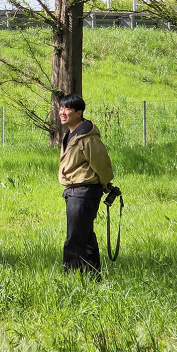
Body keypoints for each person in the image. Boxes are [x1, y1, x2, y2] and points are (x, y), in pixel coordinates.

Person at [58, 94, 114, 274]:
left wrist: (106, 184)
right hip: (74, 191)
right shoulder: (70, 134)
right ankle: (92, 277)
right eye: (61, 108)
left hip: (83, 191)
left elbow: (101, 162)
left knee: (74, 238)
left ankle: (72, 278)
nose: (62, 112)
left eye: (67, 109)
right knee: (86, 236)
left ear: (79, 113)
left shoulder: (87, 137)